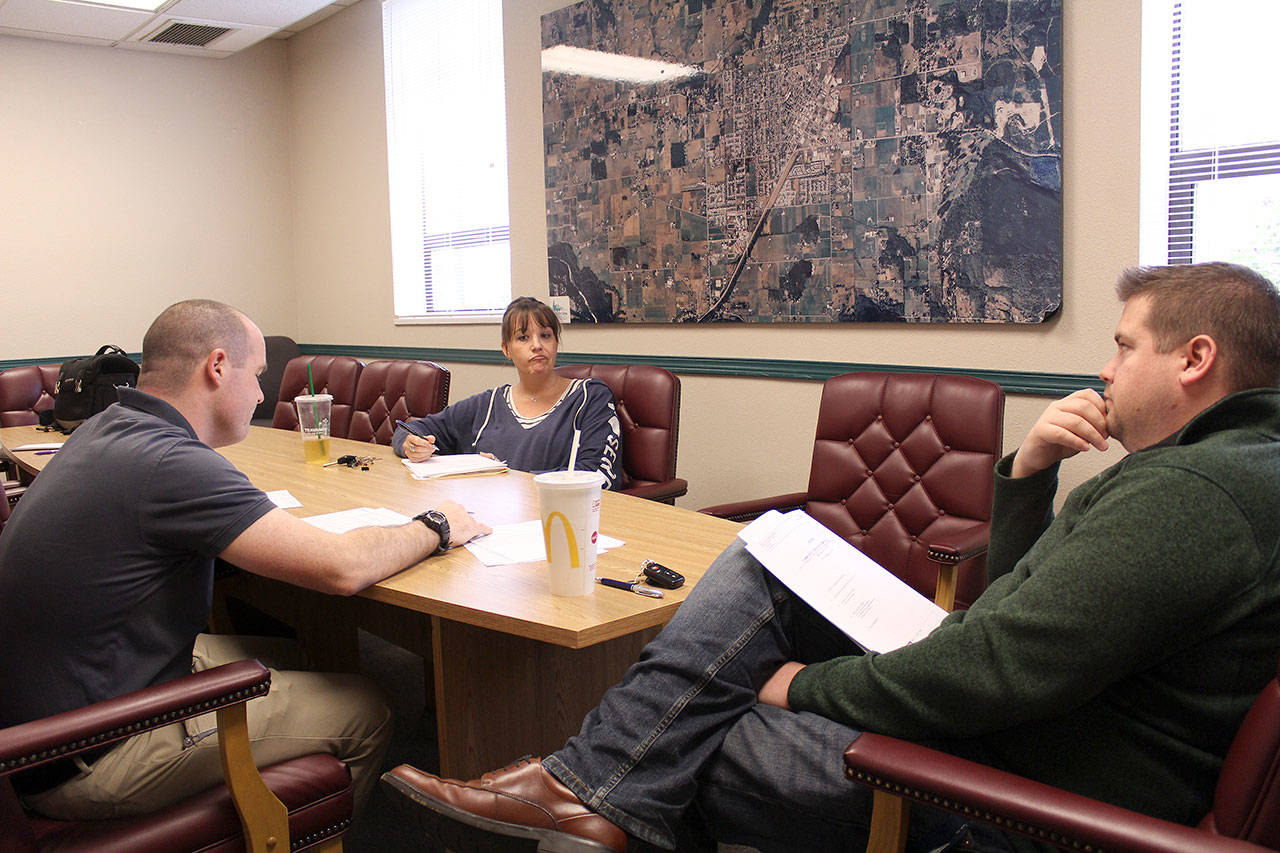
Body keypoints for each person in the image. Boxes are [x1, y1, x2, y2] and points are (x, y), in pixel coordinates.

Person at [382, 262, 1280, 853]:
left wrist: (798, 685)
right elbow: (1013, 614)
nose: (1108, 369)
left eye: (1124, 347)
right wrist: (1028, 472)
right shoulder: (1213, 472)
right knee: (768, 559)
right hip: (1015, 727)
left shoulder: (1191, 497)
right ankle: (587, 784)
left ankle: (586, 787)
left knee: (686, 737)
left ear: (1195, 358)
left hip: (1012, 791)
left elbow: (996, 667)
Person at [0, 299, 489, 821]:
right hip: (83, 752)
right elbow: (341, 567)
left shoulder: (108, 427)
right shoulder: (172, 462)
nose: (260, 393)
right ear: (216, 367)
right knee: (368, 708)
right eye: (256, 375)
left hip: (52, 708)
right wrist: (436, 525)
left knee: (303, 655)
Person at [393, 297, 622, 488]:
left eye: (545, 335)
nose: (537, 345)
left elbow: (597, 477)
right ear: (506, 350)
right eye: (523, 337)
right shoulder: (488, 404)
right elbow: (412, 429)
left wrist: (503, 476)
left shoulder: (590, 397)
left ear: (555, 342)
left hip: (562, 523)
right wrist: (410, 444)